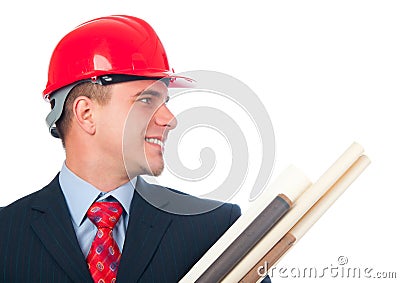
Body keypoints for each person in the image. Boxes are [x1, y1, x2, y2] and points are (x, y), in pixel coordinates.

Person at [0, 15, 271, 283]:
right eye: (146, 100)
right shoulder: (6, 236)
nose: (169, 119)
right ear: (86, 113)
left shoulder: (216, 229)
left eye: (164, 101)